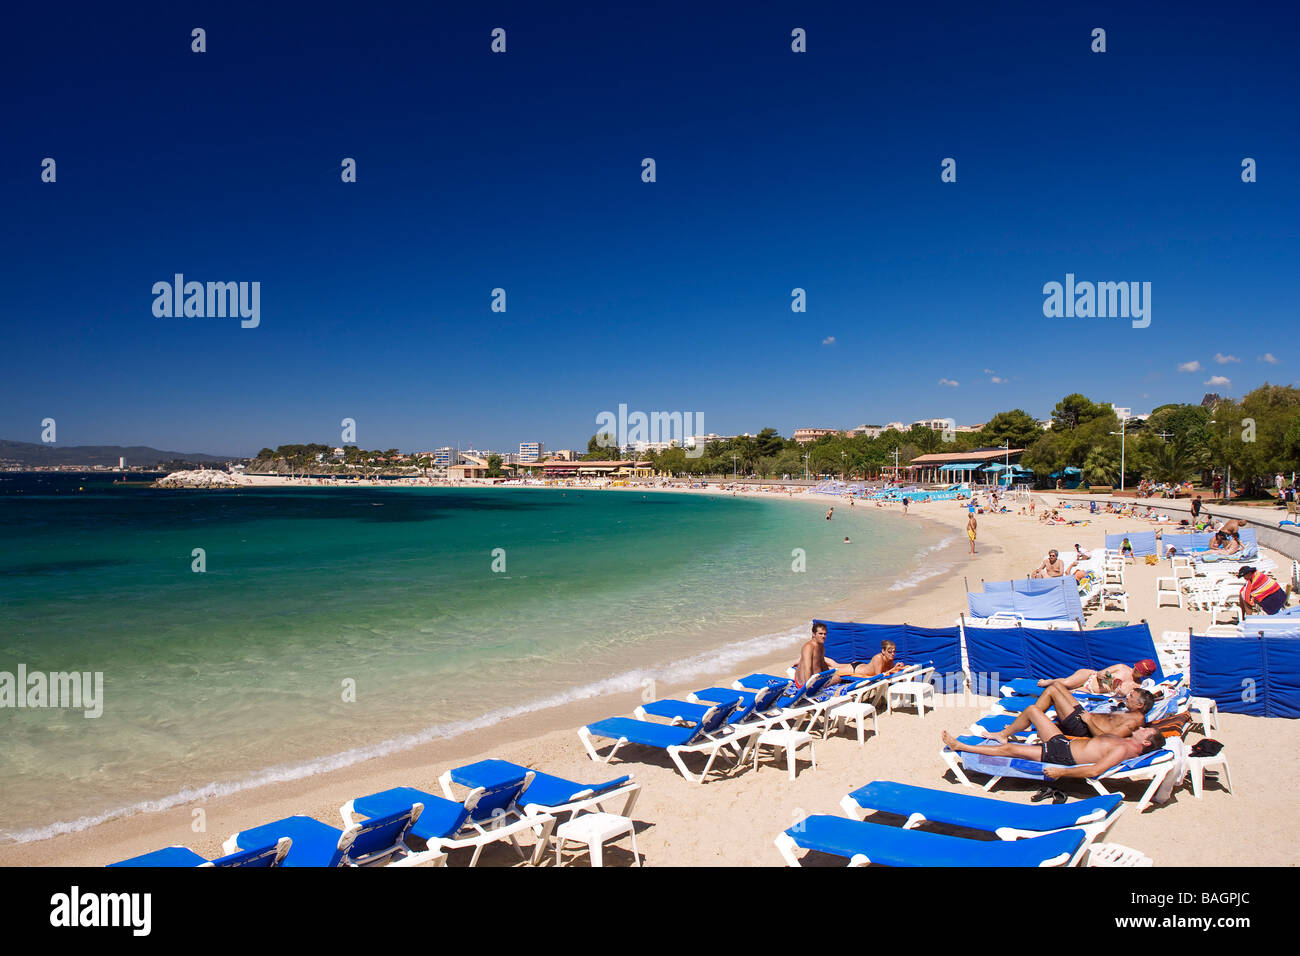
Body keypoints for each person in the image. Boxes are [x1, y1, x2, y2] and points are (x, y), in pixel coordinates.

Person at [943, 723, 1165, 779]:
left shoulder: (1122, 751)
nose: (1143, 728)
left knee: (1010, 749)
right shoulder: (1125, 742)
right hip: (1064, 743)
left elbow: (1094, 771)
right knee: (1032, 710)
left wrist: (1061, 772)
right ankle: (1004, 732)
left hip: (1062, 756)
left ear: (1146, 743)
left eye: (1146, 731)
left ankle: (961, 747)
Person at [983, 685, 1155, 744]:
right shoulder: (1130, 713)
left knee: (1047, 696)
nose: (1128, 696)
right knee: (1056, 686)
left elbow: (1107, 739)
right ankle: (1027, 723)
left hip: (1084, 729)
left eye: (1132, 697)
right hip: (1086, 719)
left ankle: (1004, 735)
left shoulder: (1135, 722)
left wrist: (1089, 722)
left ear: (1140, 705)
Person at [1038, 659, 1156, 696]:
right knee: (1066, 683)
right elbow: (1100, 674)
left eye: (1138, 671)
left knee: (1066, 694)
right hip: (1089, 677)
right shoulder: (1122, 668)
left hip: (1092, 692)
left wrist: (1118, 691)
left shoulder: (1137, 687)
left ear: (1144, 675)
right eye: (1135, 667)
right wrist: (1107, 678)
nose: (1134, 670)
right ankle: (1047, 682)